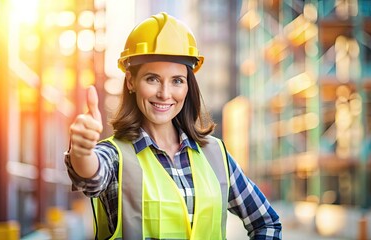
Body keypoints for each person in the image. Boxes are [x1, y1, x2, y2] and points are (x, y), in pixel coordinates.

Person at [64, 12, 282, 239]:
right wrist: (81, 152)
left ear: (188, 86)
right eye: (152, 79)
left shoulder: (216, 155)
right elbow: (90, 175)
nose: (165, 94)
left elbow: (266, 223)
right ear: (131, 81)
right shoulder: (115, 155)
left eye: (177, 80)